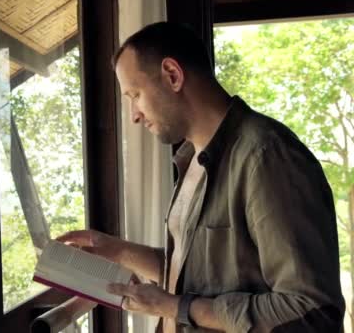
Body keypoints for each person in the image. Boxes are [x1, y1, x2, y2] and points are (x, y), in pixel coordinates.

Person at [57, 22, 345, 332]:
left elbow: (310, 311)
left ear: (173, 75)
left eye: (135, 95)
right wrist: (117, 250)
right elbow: (202, 274)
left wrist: (175, 307)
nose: (134, 115)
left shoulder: (266, 156)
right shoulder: (192, 160)